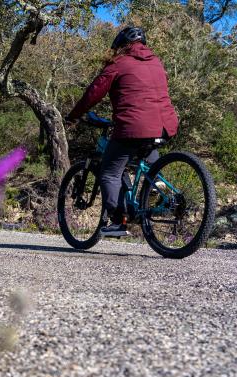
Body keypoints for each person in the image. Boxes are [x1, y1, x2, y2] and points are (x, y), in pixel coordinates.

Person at [66, 26, 179, 237]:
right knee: (148, 163)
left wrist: (73, 115)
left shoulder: (119, 62)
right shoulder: (156, 62)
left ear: (120, 45)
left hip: (133, 126)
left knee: (109, 171)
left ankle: (119, 221)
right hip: (163, 125)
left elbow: (94, 92)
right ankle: (159, 187)